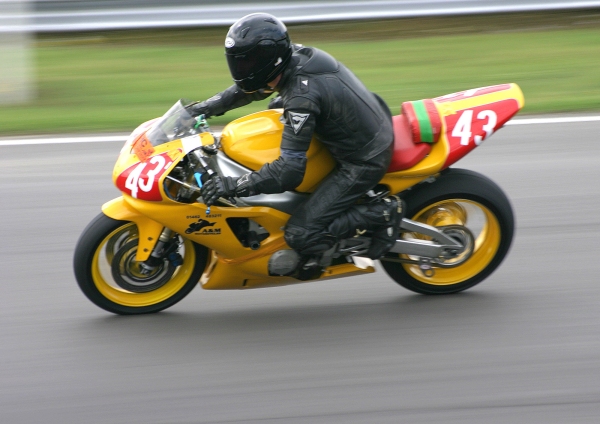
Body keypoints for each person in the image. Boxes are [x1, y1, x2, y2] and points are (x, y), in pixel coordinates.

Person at [192, 12, 403, 269]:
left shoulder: (301, 98)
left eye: (248, 62)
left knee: (300, 234)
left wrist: (233, 185)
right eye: (238, 61)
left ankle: (382, 213)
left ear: (269, 58)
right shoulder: (292, 58)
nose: (242, 68)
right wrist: (200, 110)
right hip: (363, 121)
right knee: (276, 103)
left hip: (363, 159)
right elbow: (249, 89)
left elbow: (289, 172)